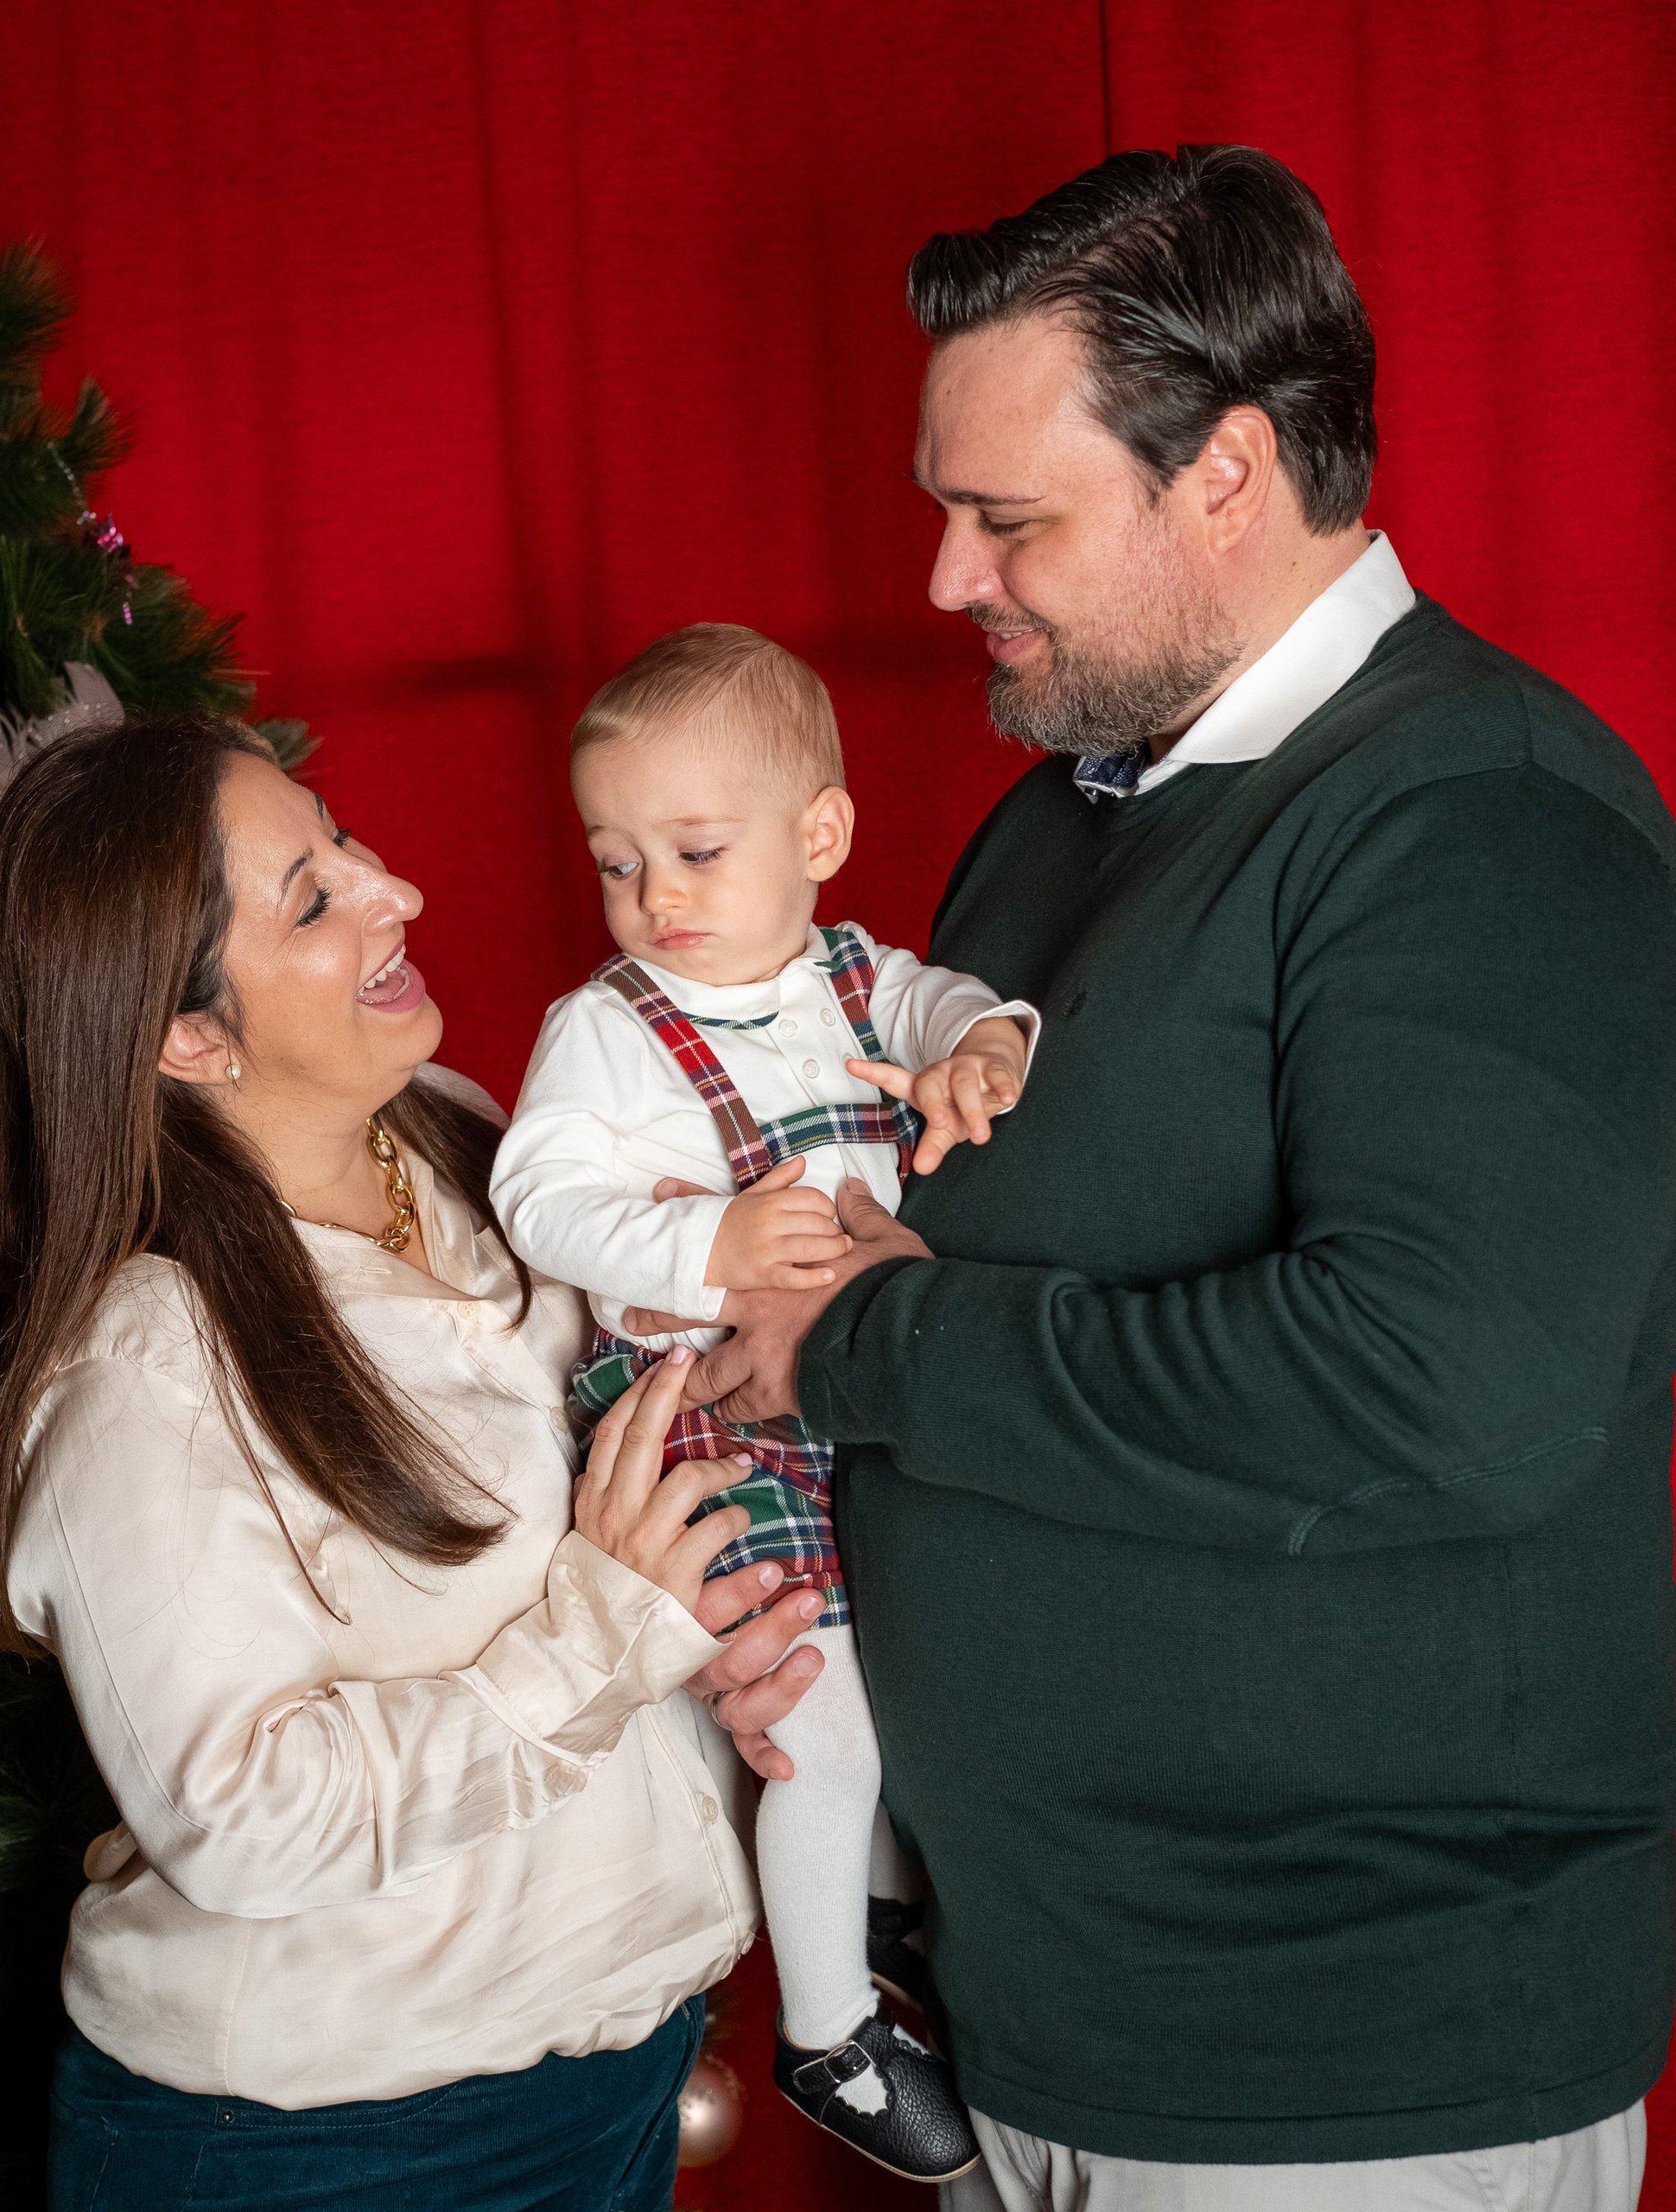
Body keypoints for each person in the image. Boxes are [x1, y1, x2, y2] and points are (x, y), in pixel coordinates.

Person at [650, 145, 1676, 2211]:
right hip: (1031, 2022)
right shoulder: (1047, 829)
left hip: (1346, 2068)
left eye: (1003, 515)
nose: (945, 577)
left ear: (1221, 471)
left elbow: (1445, 1386)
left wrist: (862, 1345)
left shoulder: (1471, 814)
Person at [0, 712, 823, 2212]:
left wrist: (708, 1628)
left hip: (609, 2075)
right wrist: (603, 1641)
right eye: (313, 895)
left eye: (342, 840)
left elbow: (606, 1524)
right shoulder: (145, 1376)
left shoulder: (480, 1146)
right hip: (331, 2148)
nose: (393, 891)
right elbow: (240, 1817)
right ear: (188, 1036)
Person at [492, 620, 1032, 2181]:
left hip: (855, 1404)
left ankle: (867, 1907)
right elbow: (542, 1193)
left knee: (916, 1670)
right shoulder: (607, 1029)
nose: (653, 897)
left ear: (821, 837)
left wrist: (984, 1045)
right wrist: (700, 1242)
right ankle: (823, 2030)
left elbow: (946, 1007)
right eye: (615, 861)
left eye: (695, 851)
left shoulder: (857, 983)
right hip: (715, 1416)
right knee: (823, 1718)